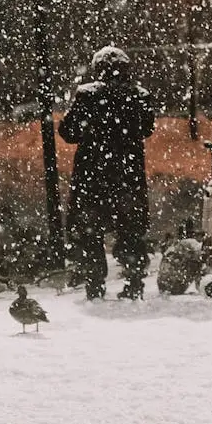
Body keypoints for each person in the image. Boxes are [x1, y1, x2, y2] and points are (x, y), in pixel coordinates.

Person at [59, 46, 156, 300]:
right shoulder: (139, 96)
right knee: (130, 231)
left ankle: (95, 283)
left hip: (93, 176)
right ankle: (134, 282)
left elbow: (68, 132)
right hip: (128, 176)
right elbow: (147, 129)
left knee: (91, 231)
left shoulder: (87, 95)